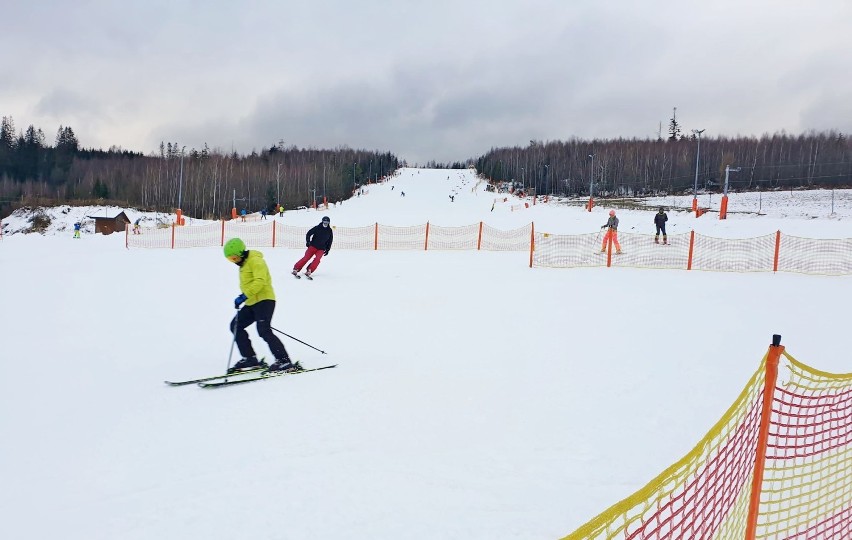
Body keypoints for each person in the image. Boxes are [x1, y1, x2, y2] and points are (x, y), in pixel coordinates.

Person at [223, 237, 301, 374]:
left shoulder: (256, 261)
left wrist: (244, 296)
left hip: (265, 300)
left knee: (263, 330)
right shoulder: (243, 264)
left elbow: (260, 281)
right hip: (252, 302)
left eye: (234, 258)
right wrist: (246, 297)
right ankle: (250, 358)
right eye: (231, 260)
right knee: (235, 326)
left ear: (241, 253)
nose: (234, 262)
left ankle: (284, 361)